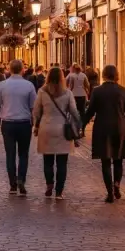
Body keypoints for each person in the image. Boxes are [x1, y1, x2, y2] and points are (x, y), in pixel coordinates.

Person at [82, 64, 125, 204]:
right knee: (118, 160)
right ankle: (117, 183)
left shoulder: (97, 91)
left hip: (102, 128)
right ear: (116, 75)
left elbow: (91, 111)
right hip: (120, 127)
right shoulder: (123, 91)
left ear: (104, 75)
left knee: (105, 161)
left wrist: (81, 125)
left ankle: (110, 192)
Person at [32, 66, 81, 200]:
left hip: (46, 127)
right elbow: (74, 112)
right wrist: (78, 126)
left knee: (47, 160)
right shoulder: (67, 93)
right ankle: (59, 191)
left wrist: (36, 124)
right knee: (62, 162)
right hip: (62, 129)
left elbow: (36, 111)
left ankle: (49, 184)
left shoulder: (42, 91)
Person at [0, 59, 37, 196]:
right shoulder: (29, 85)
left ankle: (12, 184)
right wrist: (35, 123)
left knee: (10, 154)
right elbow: (33, 107)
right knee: (23, 154)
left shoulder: (2, 85)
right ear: (22, 69)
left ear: (9, 69)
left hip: (8, 123)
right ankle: (21, 179)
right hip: (24, 123)